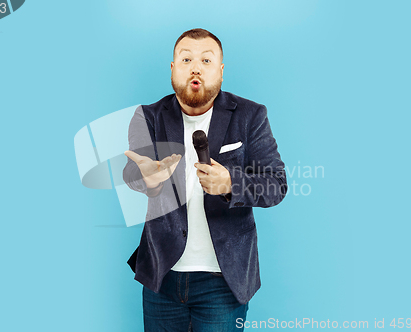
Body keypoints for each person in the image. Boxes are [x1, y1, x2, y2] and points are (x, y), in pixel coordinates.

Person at [123, 28, 288, 332]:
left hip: (223, 282)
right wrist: (149, 179)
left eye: (206, 60)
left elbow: (276, 184)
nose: (196, 67)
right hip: (162, 277)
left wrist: (230, 184)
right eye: (186, 59)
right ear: (173, 69)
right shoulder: (147, 116)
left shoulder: (250, 116)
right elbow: (133, 172)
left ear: (221, 71)